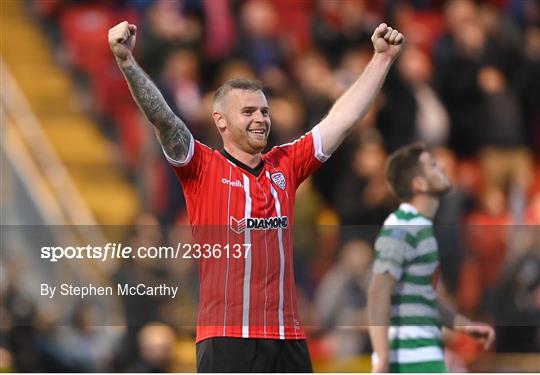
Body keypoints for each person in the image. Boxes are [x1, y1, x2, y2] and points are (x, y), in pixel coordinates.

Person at [108, 20, 404, 372]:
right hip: (228, 339)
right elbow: (164, 121)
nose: (261, 118)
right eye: (248, 112)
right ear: (220, 121)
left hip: (287, 338)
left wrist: (381, 61)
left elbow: (342, 117)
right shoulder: (202, 166)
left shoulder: (287, 164)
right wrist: (127, 63)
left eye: (264, 110)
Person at [367, 143, 495, 373]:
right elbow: (378, 291)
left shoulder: (421, 228)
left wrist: (463, 325)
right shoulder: (402, 226)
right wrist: (381, 356)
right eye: (433, 165)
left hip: (426, 354)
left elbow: (424, 295)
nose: (443, 169)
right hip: (409, 358)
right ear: (419, 184)